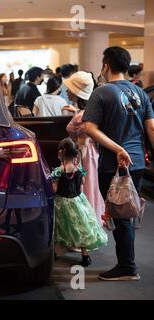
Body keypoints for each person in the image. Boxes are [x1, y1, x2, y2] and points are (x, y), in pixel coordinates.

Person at [83, 46, 154, 281]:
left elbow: (89, 128)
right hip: (137, 163)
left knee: (121, 215)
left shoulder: (102, 92)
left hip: (112, 165)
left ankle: (127, 267)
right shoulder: (140, 93)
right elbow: (151, 128)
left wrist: (116, 148)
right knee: (128, 212)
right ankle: (127, 263)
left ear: (106, 66)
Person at [51, 138, 108, 267]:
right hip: (77, 201)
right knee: (81, 226)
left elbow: (54, 189)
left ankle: (53, 251)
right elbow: (81, 186)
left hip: (61, 202)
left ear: (61, 154)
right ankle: (85, 254)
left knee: (58, 226)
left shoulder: (58, 171)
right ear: (75, 154)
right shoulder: (79, 170)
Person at [64, 71, 105, 224]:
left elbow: (83, 143)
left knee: (82, 190)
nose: (67, 91)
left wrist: (78, 167)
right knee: (89, 189)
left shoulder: (82, 116)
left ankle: (83, 232)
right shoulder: (85, 112)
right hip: (90, 155)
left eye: (69, 88)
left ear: (77, 92)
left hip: (83, 156)